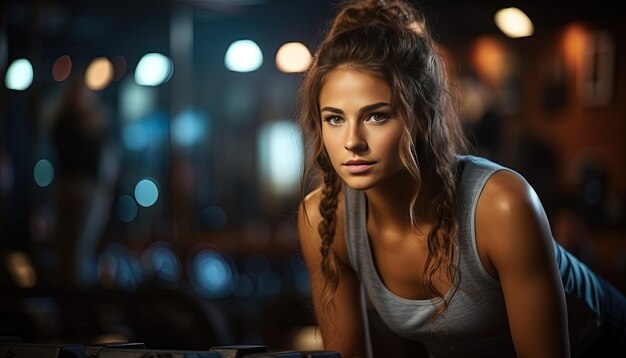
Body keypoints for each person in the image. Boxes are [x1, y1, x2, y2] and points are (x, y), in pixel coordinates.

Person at [295, 1, 626, 357]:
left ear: (421, 119)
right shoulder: (323, 219)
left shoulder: (502, 203)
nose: (352, 142)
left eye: (377, 117)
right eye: (334, 119)